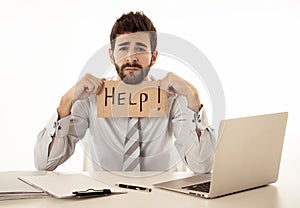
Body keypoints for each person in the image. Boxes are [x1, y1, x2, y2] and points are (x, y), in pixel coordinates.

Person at [34, 11, 216, 173]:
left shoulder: (173, 97)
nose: (131, 57)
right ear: (111, 55)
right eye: (123, 48)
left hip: (160, 197)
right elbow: (44, 164)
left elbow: (202, 166)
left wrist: (194, 98)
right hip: (106, 198)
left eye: (140, 49)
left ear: (153, 57)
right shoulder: (90, 98)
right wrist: (66, 102)